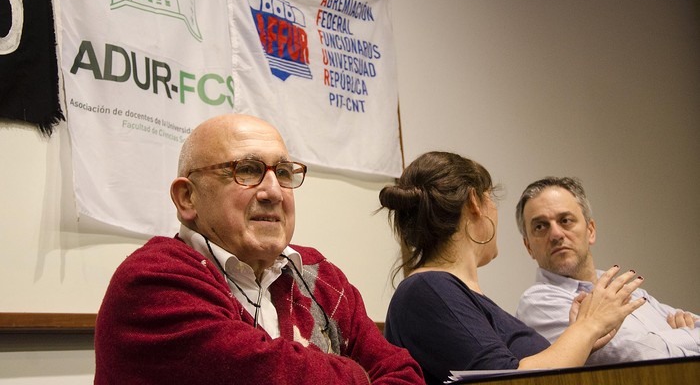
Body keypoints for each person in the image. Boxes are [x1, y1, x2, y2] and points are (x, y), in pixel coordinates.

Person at [94, 113, 424, 384]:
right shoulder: (152, 281)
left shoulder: (322, 276)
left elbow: (403, 374)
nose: (273, 192)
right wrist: (356, 374)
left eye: (283, 173)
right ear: (187, 198)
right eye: (247, 170)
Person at [379, 152, 646, 385]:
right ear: (475, 202)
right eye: (491, 198)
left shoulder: (452, 295)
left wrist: (583, 338)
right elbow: (509, 380)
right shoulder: (427, 289)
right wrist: (588, 327)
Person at [515, 176, 700, 365]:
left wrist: (671, 338)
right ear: (528, 246)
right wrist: (684, 334)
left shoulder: (627, 289)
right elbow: (641, 358)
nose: (555, 234)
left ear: (591, 231)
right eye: (540, 226)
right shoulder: (539, 302)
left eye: (565, 220)